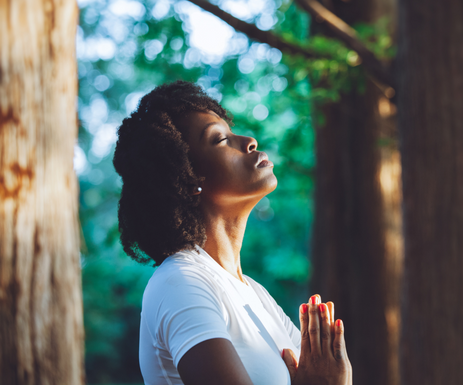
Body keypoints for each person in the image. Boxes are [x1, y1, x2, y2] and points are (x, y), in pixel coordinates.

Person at [113, 80, 352, 385]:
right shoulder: (180, 283)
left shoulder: (254, 294)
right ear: (186, 180)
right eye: (220, 139)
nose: (249, 140)